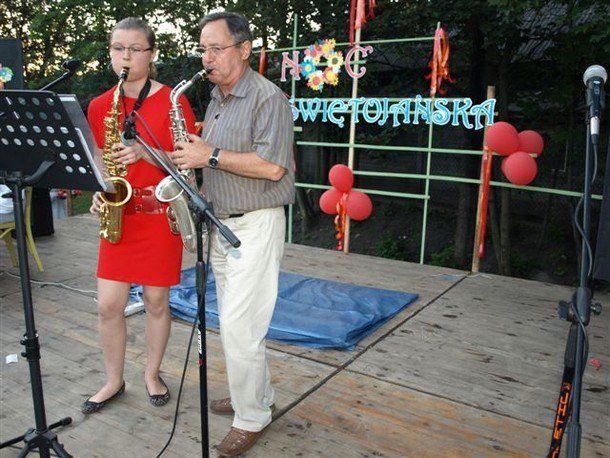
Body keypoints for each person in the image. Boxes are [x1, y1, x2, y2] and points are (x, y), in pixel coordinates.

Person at [170, 11, 294, 457]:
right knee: (236, 325)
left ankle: (252, 417)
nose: (207, 58)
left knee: (242, 328)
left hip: (255, 224)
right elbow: (214, 162)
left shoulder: (268, 98)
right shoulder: (216, 99)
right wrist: (190, 182)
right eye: (203, 49)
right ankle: (254, 396)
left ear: (243, 50)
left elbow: (272, 166)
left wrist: (209, 156)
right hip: (221, 223)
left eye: (216, 48)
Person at [83, 17, 196, 414]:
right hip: (119, 214)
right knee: (107, 305)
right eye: (118, 48)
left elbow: (187, 164)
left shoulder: (173, 102)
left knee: (156, 302)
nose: (125, 57)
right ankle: (113, 380)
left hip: (157, 213)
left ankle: (152, 373)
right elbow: (100, 161)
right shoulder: (100, 105)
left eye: (135, 49)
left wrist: (146, 152)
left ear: (152, 54)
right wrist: (98, 192)